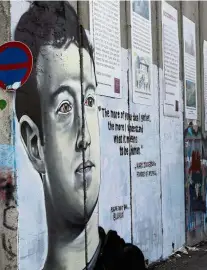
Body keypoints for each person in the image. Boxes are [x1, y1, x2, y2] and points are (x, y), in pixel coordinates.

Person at [14, 2, 145, 269]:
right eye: (64, 107)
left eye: (88, 100)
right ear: (35, 144)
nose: (84, 136)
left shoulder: (127, 262)